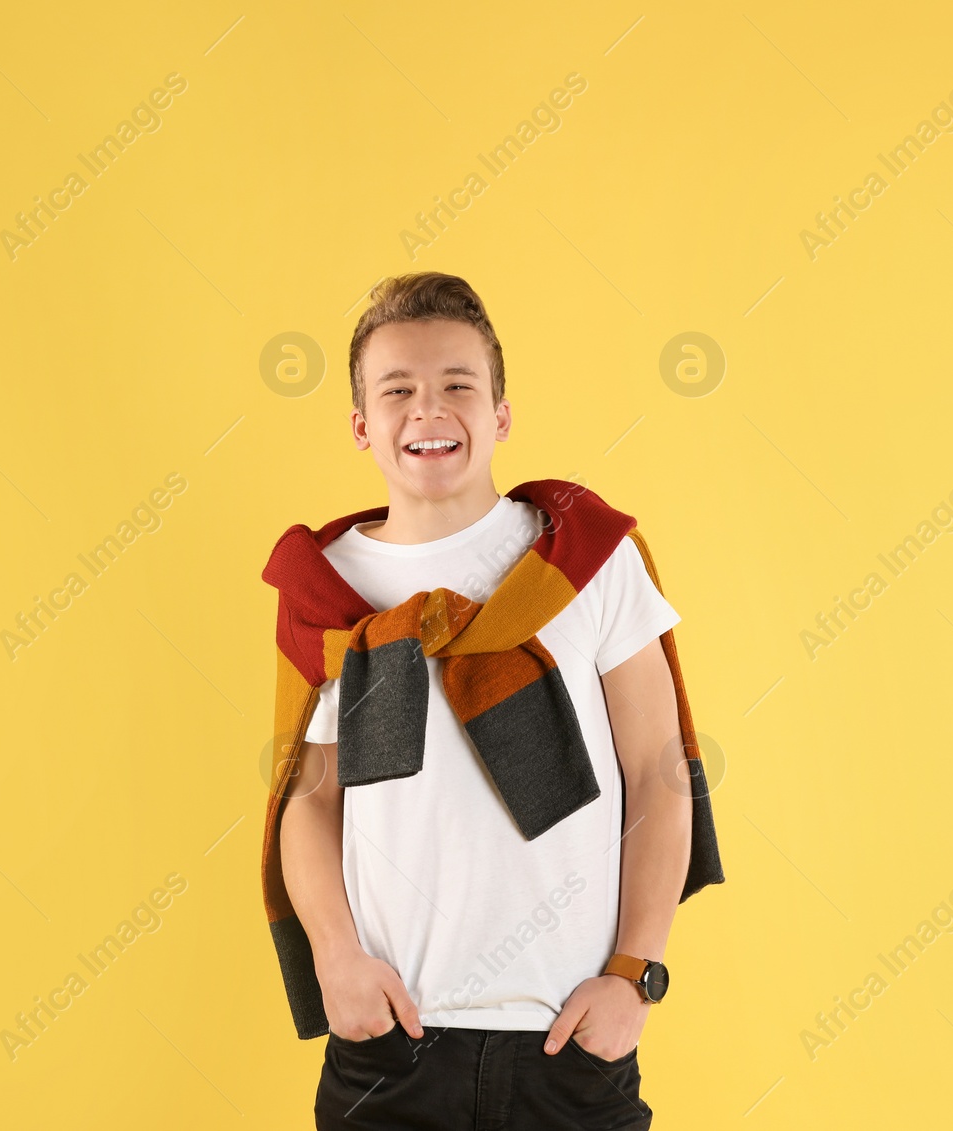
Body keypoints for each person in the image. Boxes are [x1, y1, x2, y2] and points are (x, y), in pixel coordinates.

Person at [260, 272, 723, 1129]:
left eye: (457, 386)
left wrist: (634, 975)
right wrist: (334, 958)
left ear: (501, 416)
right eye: (397, 390)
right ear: (363, 426)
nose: (428, 411)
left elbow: (658, 775)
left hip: (565, 1043)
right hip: (390, 1043)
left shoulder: (584, 560)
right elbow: (310, 800)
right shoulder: (326, 591)